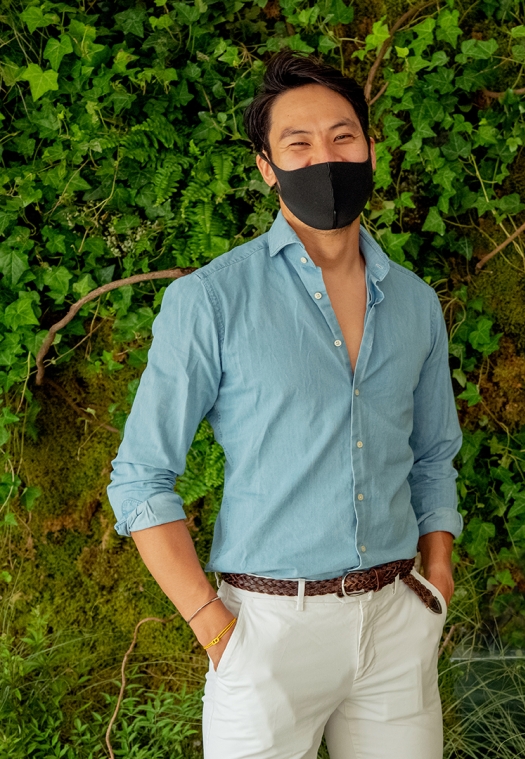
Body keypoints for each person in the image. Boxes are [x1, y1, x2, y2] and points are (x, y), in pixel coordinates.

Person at [105, 52, 461, 759]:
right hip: (265, 635)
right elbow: (140, 478)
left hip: (396, 625)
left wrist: (437, 576)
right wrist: (216, 629)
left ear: (370, 146)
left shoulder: (418, 303)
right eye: (297, 143)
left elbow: (434, 455)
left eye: (343, 136)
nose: (324, 156)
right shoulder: (211, 300)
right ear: (267, 165)